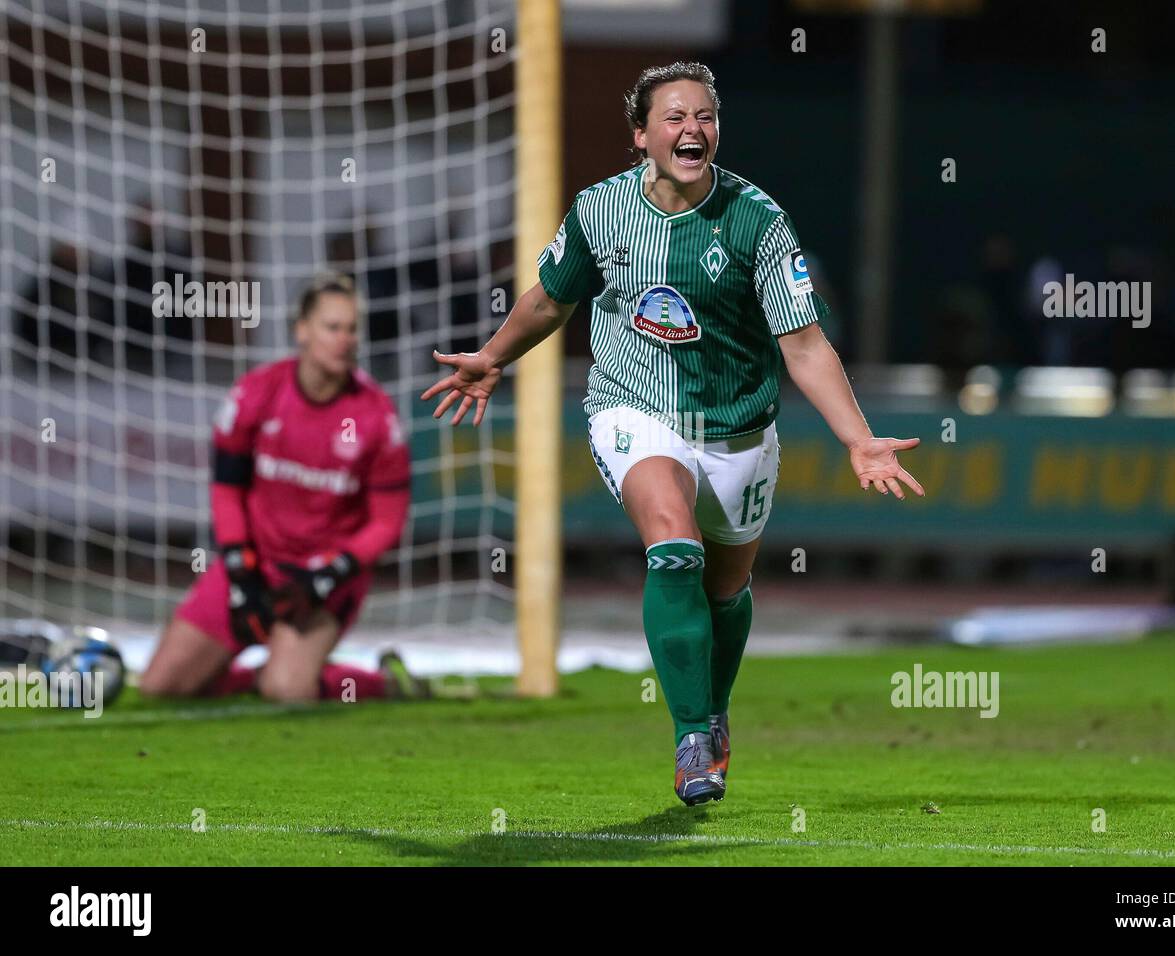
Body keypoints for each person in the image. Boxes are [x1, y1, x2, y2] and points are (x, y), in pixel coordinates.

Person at [421, 62, 924, 805]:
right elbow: (551, 301)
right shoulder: (599, 211)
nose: (694, 129)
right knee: (674, 545)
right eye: (676, 117)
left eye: (706, 116)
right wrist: (493, 357)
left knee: (726, 589)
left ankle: (712, 712)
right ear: (642, 135)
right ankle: (691, 735)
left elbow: (805, 344)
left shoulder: (758, 220)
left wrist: (857, 437)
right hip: (632, 406)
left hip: (738, 426)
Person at [141, 274, 420, 701]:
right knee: (160, 687)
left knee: (287, 690)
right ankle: (263, 674)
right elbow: (227, 489)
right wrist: (239, 564)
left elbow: (386, 523)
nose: (344, 340)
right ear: (302, 330)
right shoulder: (256, 393)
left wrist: (331, 574)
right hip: (256, 561)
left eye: (352, 329)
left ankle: (380, 682)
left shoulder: (377, 417)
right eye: (332, 327)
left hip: (323, 575)